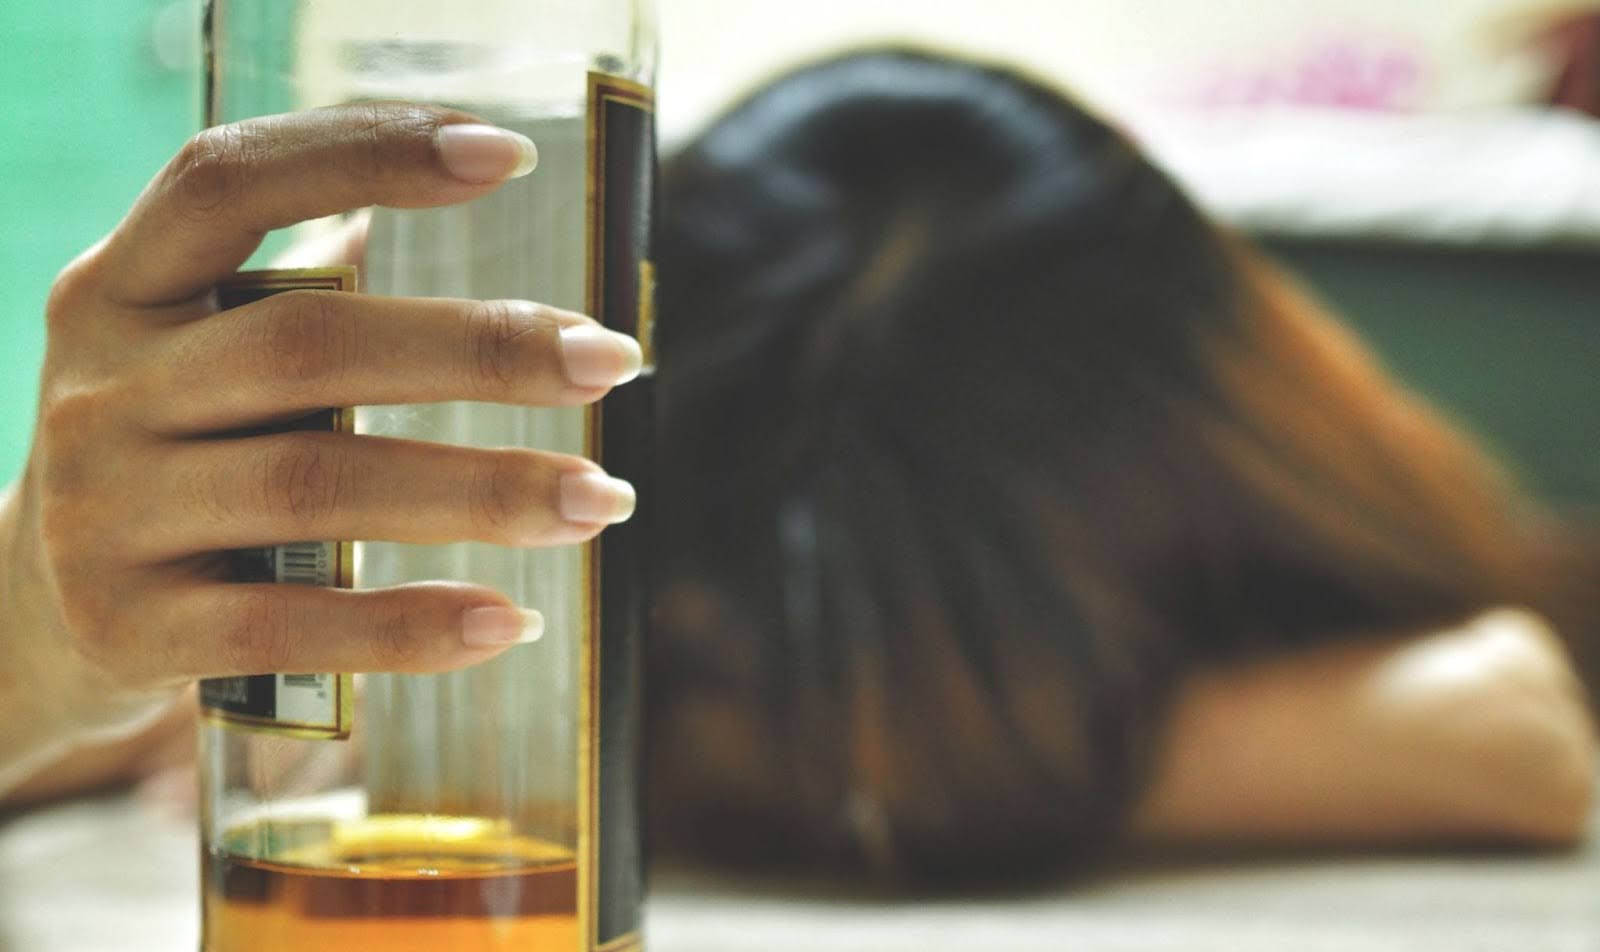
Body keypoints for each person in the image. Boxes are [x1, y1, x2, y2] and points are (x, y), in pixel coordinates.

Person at [1, 51, 1594, 887]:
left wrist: (766, 749)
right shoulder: (640, 492)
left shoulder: (1281, 539)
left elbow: (1502, 727)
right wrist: (43, 629)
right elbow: (78, 723)